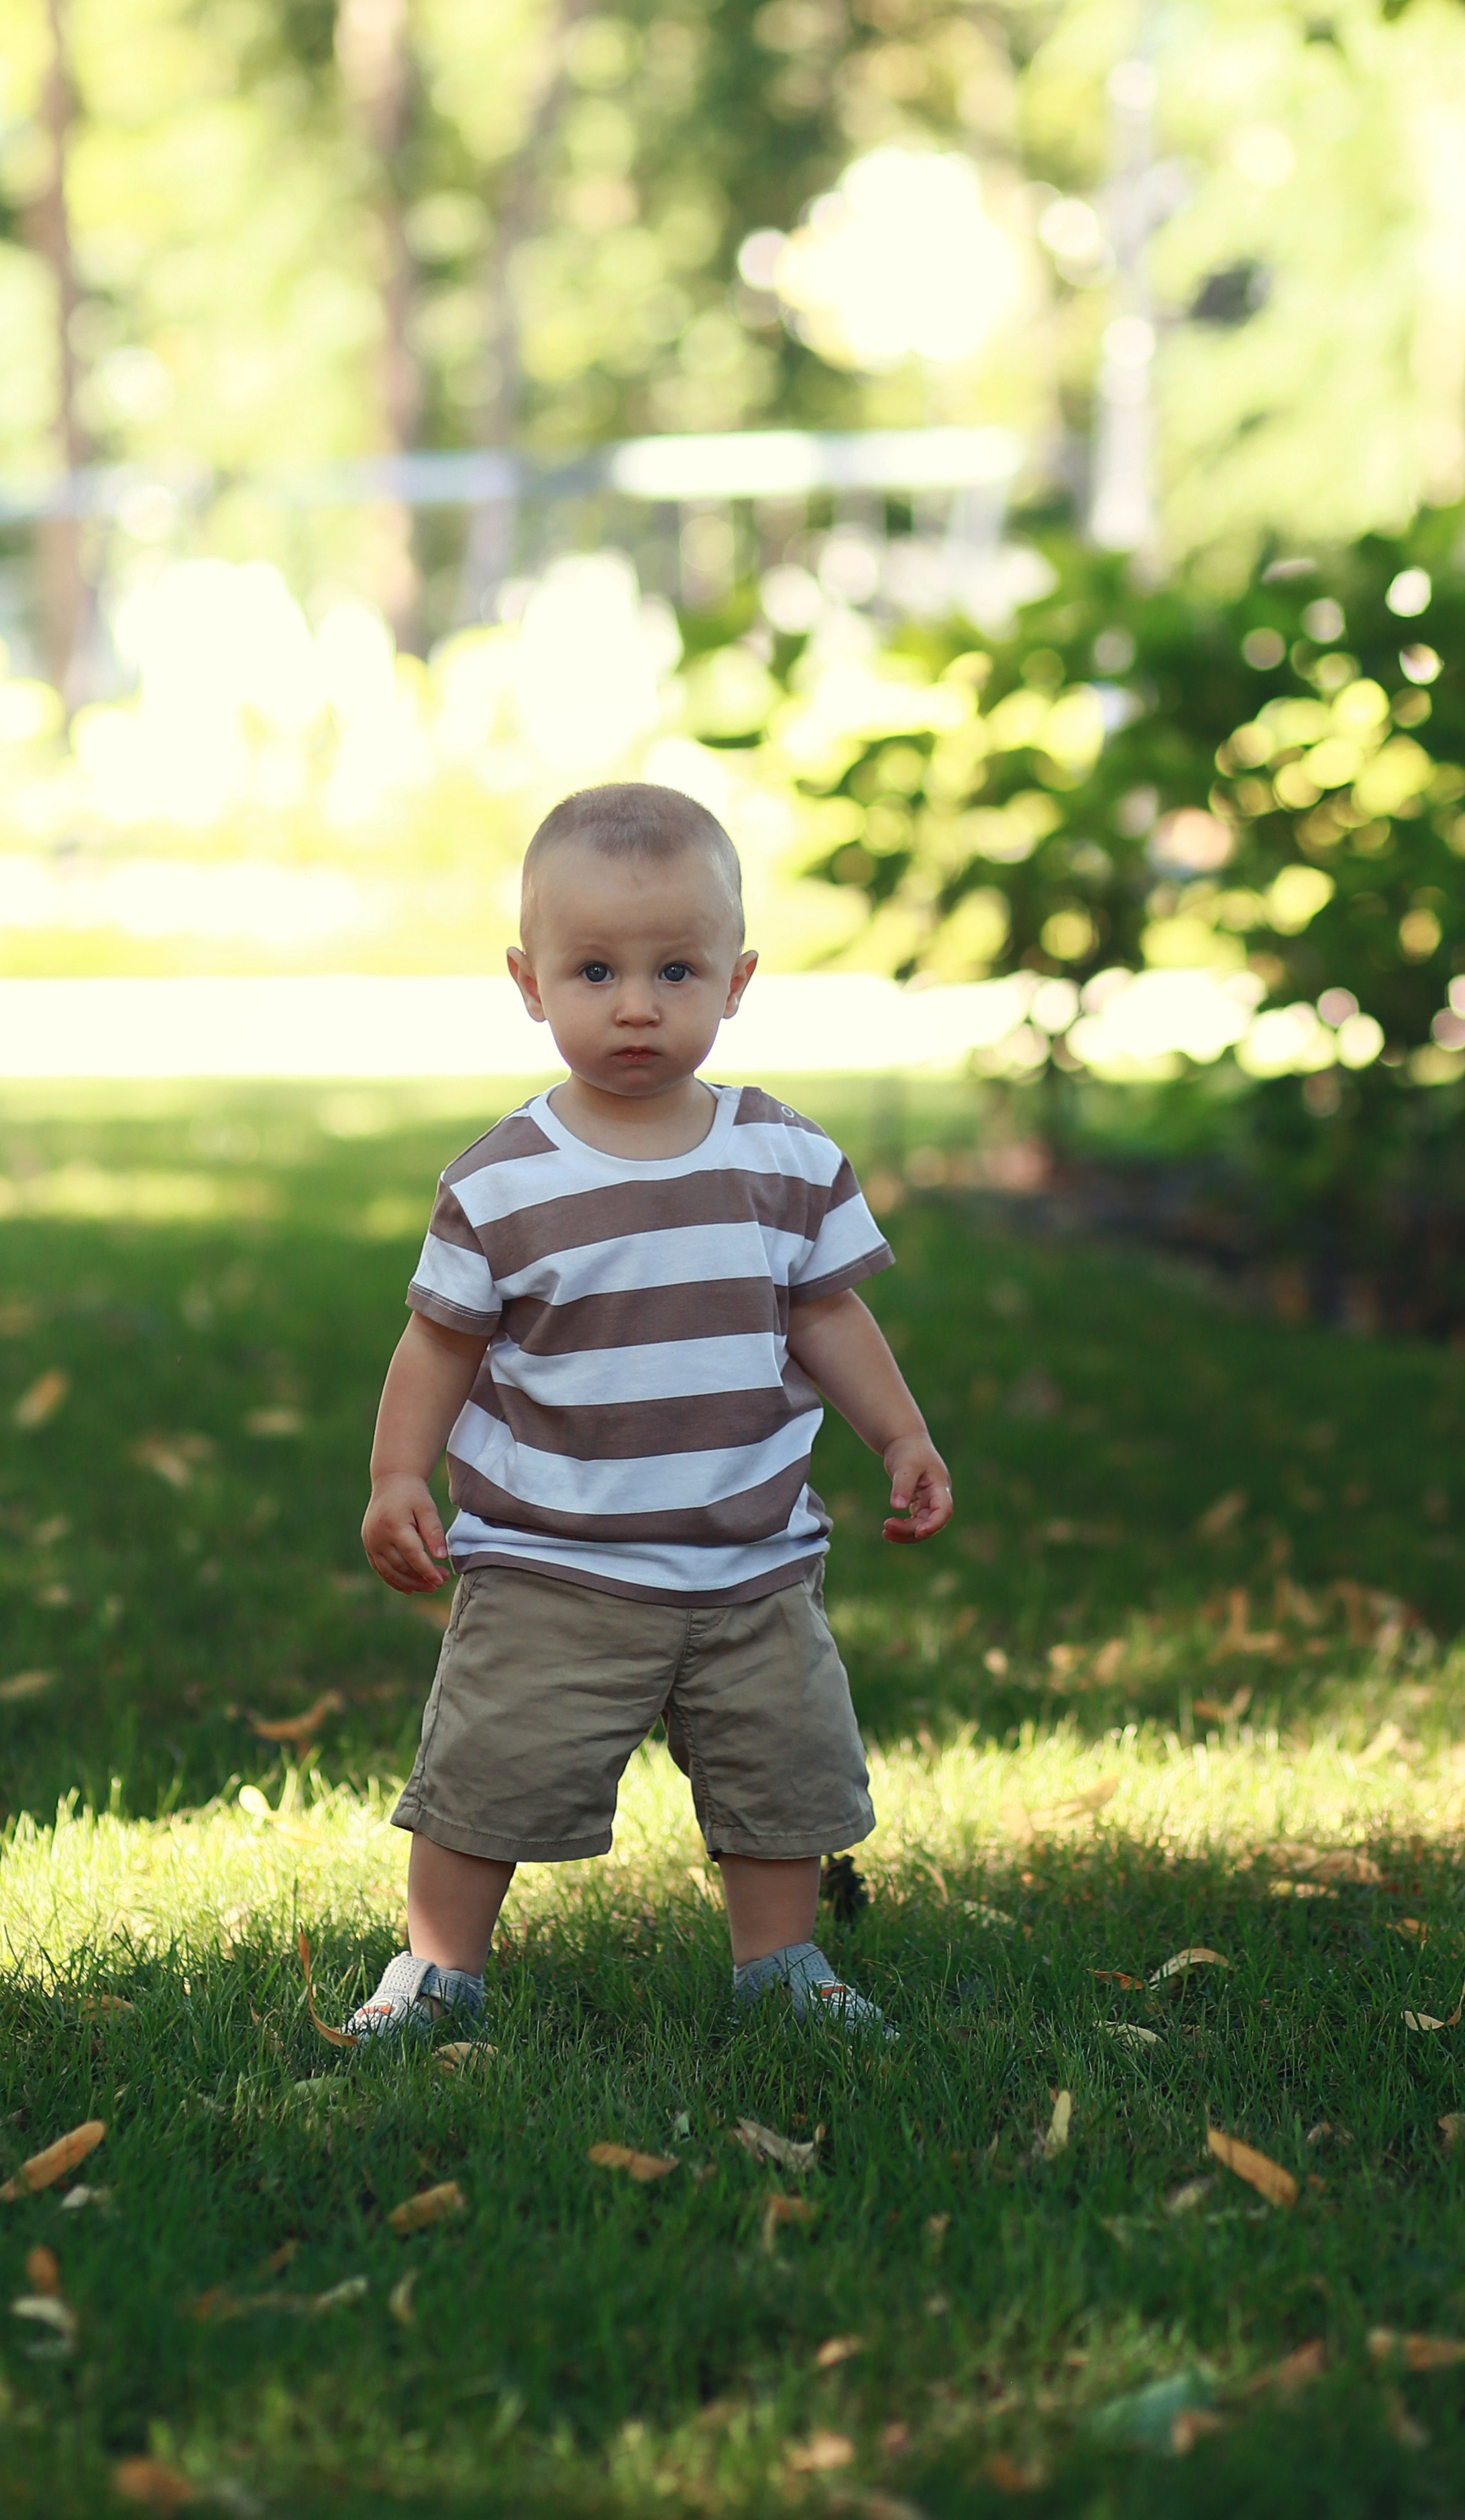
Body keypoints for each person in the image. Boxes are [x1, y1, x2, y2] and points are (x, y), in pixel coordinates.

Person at [353, 780, 953, 2038]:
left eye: (676, 969)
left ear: (737, 979)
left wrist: (899, 1434)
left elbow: (830, 1315)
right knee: (488, 1769)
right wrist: (398, 1475)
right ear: (530, 982)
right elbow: (440, 1340)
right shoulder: (504, 1178)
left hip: (752, 1557)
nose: (636, 1004)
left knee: (781, 1770)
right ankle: (439, 1967)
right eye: (595, 971)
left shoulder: (785, 1159)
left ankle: (782, 1964)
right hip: (551, 1562)